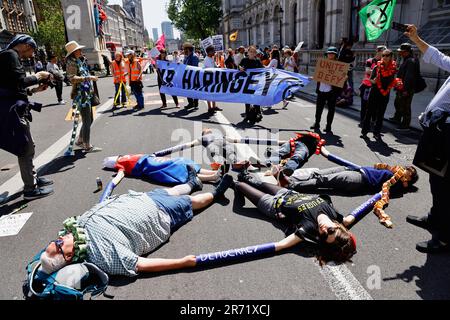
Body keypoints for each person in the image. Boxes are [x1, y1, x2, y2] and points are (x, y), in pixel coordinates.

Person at [38, 172, 235, 276]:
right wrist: (183, 262)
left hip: (141, 199)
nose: (60, 238)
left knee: (171, 191)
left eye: (54, 240)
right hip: (157, 215)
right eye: (58, 244)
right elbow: (140, 264)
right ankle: (216, 193)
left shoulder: (73, 228)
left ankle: (193, 183)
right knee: (190, 203)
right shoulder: (101, 257)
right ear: (70, 255)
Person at [403, 24, 450, 253]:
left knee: (446, 186)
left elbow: (439, 58)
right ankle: (435, 218)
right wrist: (416, 38)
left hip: (448, 135)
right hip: (440, 132)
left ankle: (444, 238)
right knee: (436, 178)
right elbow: (439, 57)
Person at [234, 180, 357, 266]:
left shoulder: (309, 228)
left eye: (324, 236)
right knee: (257, 182)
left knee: (240, 185)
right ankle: (245, 174)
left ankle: (227, 182)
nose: (324, 230)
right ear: (337, 226)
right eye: (330, 231)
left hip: (274, 205)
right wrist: (377, 194)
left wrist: (240, 253)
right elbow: (350, 219)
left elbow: (281, 245)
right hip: (288, 193)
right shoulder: (336, 216)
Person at [0, 34, 54, 200]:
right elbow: (20, 82)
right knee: (25, 148)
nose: (31, 54)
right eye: (31, 49)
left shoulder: (10, 56)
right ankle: (30, 190)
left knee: (29, 146)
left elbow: (14, 87)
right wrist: (38, 76)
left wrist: (35, 90)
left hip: (14, 108)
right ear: (23, 45)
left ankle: (33, 178)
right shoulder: (10, 55)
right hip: (12, 111)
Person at [65, 41, 102, 153]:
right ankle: (87, 145)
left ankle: (81, 140)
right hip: (80, 95)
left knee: (89, 118)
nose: (81, 51)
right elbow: (72, 78)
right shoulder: (72, 63)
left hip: (86, 93)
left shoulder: (80, 61)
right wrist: (89, 78)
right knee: (87, 120)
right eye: (79, 50)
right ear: (74, 52)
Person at [360, 49, 403, 140]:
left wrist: (397, 83)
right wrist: (373, 81)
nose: (385, 57)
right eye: (383, 55)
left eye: (387, 55)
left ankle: (376, 132)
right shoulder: (377, 67)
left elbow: (395, 80)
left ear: (391, 57)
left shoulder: (394, 68)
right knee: (369, 112)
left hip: (385, 93)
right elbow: (370, 79)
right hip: (375, 92)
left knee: (380, 114)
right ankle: (364, 131)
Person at [103, 154, 223, 184]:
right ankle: (212, 177)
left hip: (154, 160)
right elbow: (120, 174)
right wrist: (115, 179)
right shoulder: (120, 165)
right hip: (151, 167)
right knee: (177, 170)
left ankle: (214, 172)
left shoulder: (125, 156)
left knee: (182, 162)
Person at [310, 47, 341, 134]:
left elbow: (341, 78)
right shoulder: (322, 64)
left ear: (335, 55)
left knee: (331, 109)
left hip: (332, 91)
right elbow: (318, 75)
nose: (330, 55)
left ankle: (328, 126)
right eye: (329, 53)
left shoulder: (339, 65)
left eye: (332, 54)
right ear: (326, 54)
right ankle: (317, 123)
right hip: (321, 90)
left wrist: (344, 77)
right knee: (318, 108)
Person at [391, 43, 419, 131]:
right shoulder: (407, 59)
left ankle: (405, 125)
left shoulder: (411, 61)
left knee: (405, 106)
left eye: (402, 52)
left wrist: (405, 89)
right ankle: (397, 118)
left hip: (407, 88)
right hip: (401, 86)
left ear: (407, 52)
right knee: (397, 103)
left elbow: (409, 76)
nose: (400, 54)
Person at [359, 46, 386, 126]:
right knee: (364, 105)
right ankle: (363, 120)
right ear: (378, 51)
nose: (385, 54)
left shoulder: (384, 62)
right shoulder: (370, 61)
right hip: (367, 86)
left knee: (376, 106)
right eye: (383, 51)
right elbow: (367, 71)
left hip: (378, 87)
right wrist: (379, 72)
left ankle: (373, 121)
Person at [239, 46, 263, 124]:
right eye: (251, 52)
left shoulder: (258, 61)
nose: (252, 53)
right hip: (246, 83)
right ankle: (247, 113)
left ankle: (258, 112)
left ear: (256, 53)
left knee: (256, 97)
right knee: (247, 98)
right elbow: (238, 66)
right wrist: (240, 68)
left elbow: (262, 70)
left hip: (256, 83)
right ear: (248, 52)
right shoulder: (244, 60)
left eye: (254, 52)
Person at [202, 45, 222, 113]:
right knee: (209, 93)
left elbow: (214, 66)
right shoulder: (206, 59)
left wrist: (218, 66)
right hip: (208, 79)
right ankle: (210, 107)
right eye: (213, 51)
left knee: (213, 92)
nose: (214, 52)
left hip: (213, 78)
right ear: (209, 52)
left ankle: (214, 106)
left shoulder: (211, 58)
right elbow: (211, 69)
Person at [183, 43, 200, 110]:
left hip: (193, 76)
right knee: (187, 90)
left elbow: (194, 67)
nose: (184, 50)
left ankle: (195, 103)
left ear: (188, 49)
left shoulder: (194, 56)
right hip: (188, 76)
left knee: (194, 90)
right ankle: (191, 103)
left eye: (185, 49)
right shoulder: (187, 56)